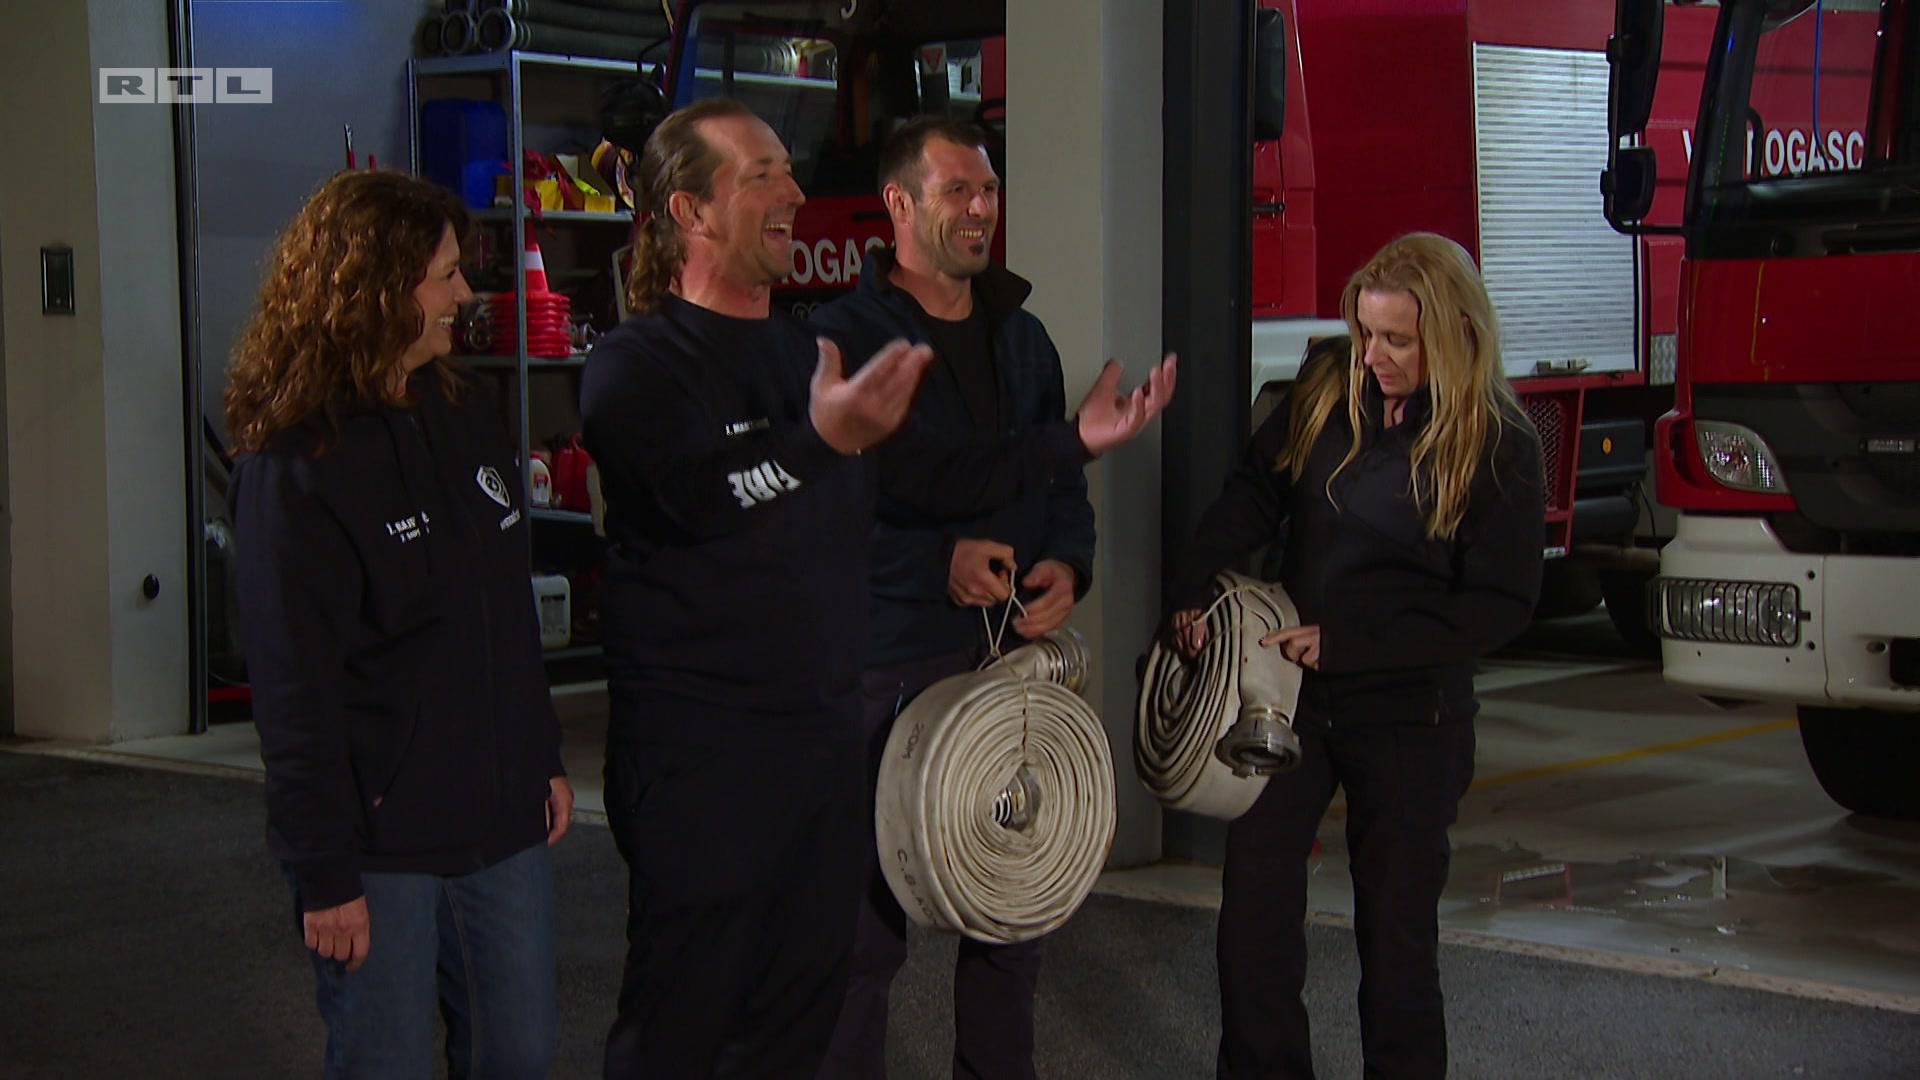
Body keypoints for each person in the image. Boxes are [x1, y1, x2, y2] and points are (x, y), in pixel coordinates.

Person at [810, 117, 1176, 1080]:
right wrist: (934, 560)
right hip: (888, 663)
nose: (980, 209)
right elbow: (836, 514)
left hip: (1005, 663)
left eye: (989, 190)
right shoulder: (841, 341)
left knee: (1013, 913)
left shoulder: (1024, 338)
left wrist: (1067, 565)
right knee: (862, 938)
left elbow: (1058, 492)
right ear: (898, 204)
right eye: (957, 191)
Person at [579, 98, 937, 1079]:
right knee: (683, 1033)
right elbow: (700, 496)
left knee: (798, 1024)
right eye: (762, 174)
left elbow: (877, 509)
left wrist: (1068, 451)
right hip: (701, 764)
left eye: (788, 168)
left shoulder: (806, 354)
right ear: (690, 211)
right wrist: (816, 442)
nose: (795, 192)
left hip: (819, 757)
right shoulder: (634, 365)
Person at [1166, 233, 1544, 1079]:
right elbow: (1255, 492)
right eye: (1366, 333)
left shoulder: (1500, 444)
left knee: (1397, 942)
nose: (1374, 357)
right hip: (1295, 702)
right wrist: (1192, 584)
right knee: (1254, 915)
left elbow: (1500, 605)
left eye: (1397, 340)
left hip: (1413, 714)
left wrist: (1351, 645)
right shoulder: (1329, 386)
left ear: (1452, 334)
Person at [227, 170, 572, 1079]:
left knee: (522, 1053)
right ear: (376, 290)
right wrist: (323, 871)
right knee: (387, 1064)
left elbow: (506, 612)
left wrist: (540, 754)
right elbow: (293, 693)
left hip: (502, 823)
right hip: (379, 846)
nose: (466, 294)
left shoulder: (465, 413)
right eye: (445, 276)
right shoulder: (297, 465)